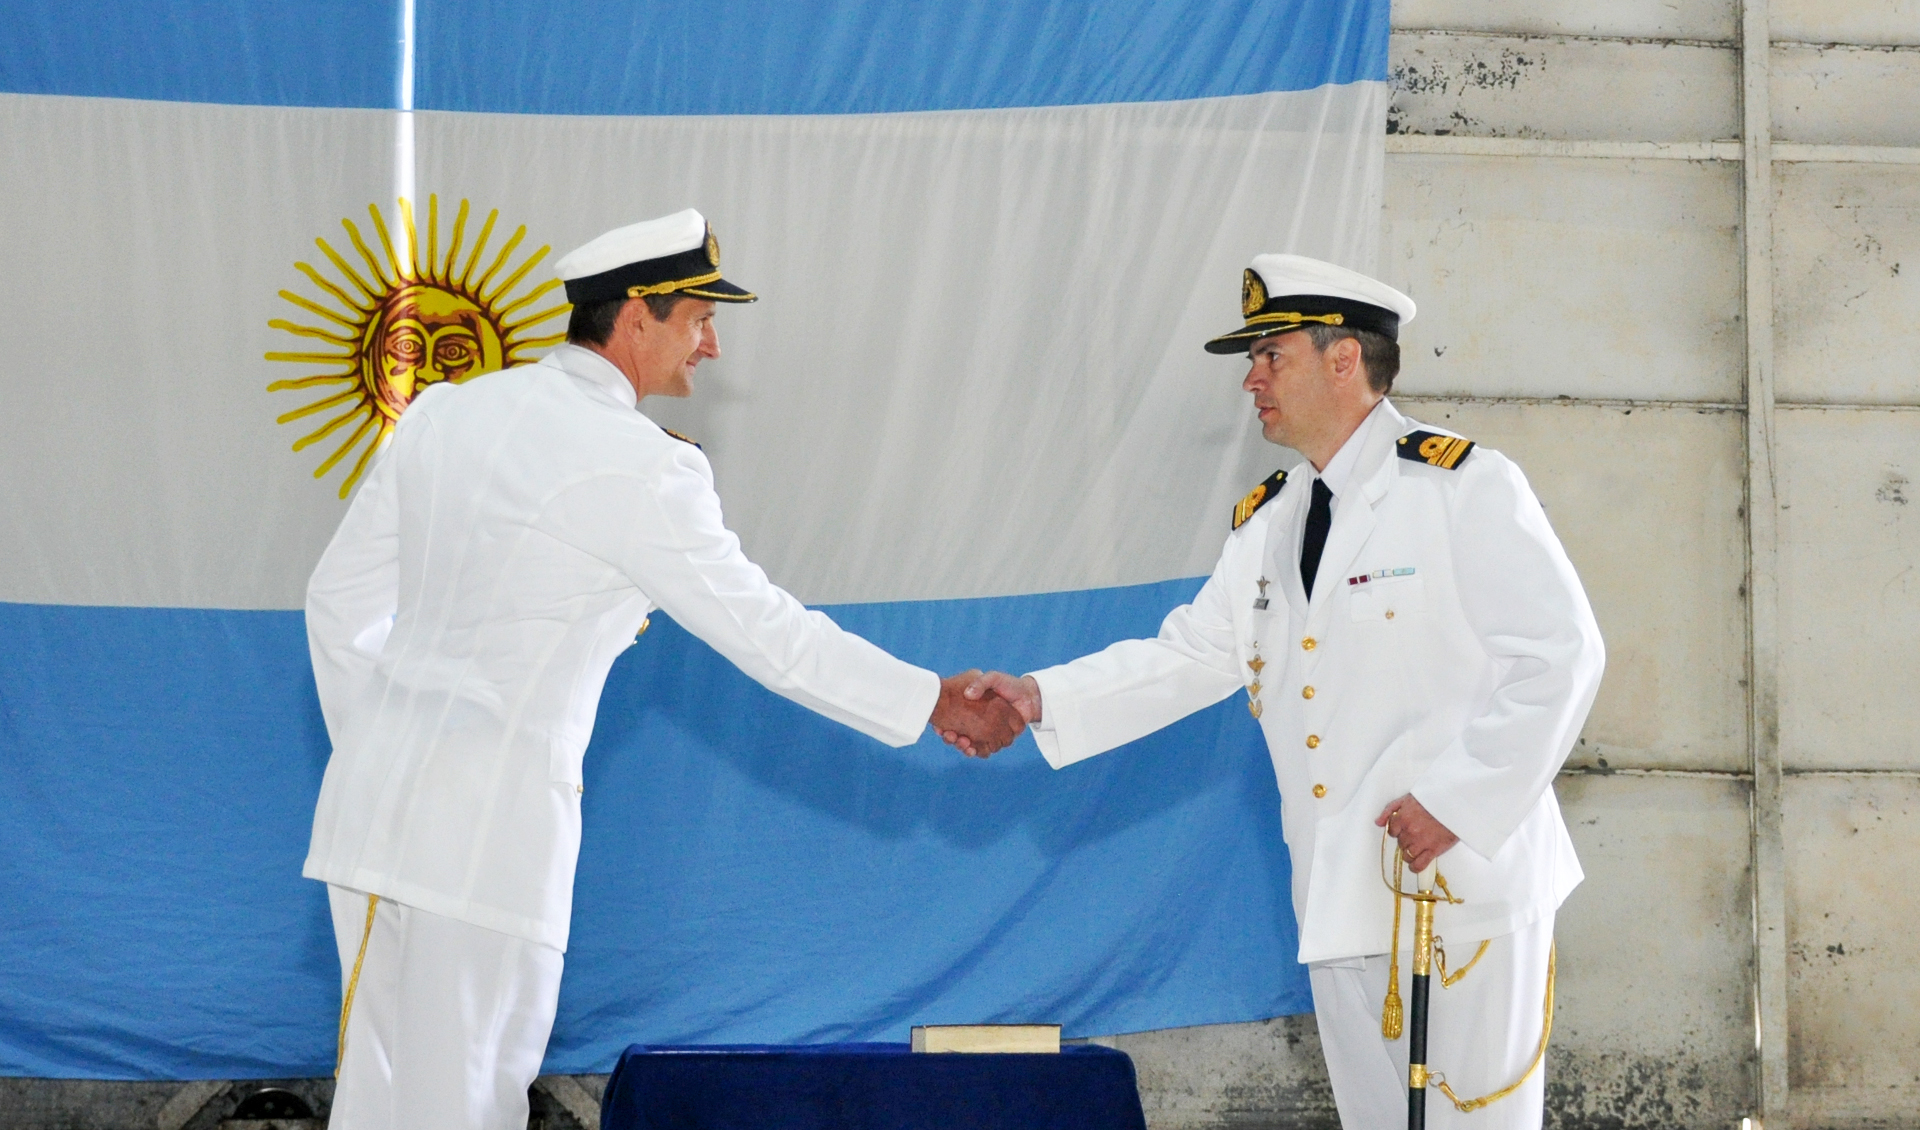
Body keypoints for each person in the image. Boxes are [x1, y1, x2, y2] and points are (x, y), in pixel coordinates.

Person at [302, 208, 1024, 1130]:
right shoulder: (641, 466)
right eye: (698, 318)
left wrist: (384, 744)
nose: (712, 345)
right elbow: (769, 635)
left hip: (369, 821)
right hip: (486, 840)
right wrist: (929, 700)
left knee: (378, 1106)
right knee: (464, 1108)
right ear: (636, 315)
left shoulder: (448, 410)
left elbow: (336, 604)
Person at [960, 255, 1604, 1130]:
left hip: (1461, 890)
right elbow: (1189, 655)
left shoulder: (1462, 487)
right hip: (1340, 896)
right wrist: (1038, 696)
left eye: (1272, 356)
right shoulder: (1270, 520)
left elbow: (1561, 653)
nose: (1251, 380)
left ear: (1345, 362)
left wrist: (1458, 799)